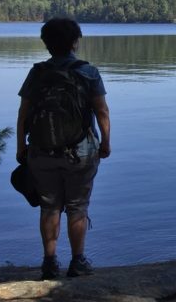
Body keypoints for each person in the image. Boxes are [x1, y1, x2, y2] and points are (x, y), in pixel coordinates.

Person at [16, 18, 111, 280]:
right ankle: (78, 262)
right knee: (77, 207)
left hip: (42, 152)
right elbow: (101, 111)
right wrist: (105, 142)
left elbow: (24, 113)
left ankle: (49, 262)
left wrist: (20, 147)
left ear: (46, 44)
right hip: (79, 152)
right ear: (75, 42)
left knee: (49, 207)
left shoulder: (37, 73)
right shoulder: (88, 72)